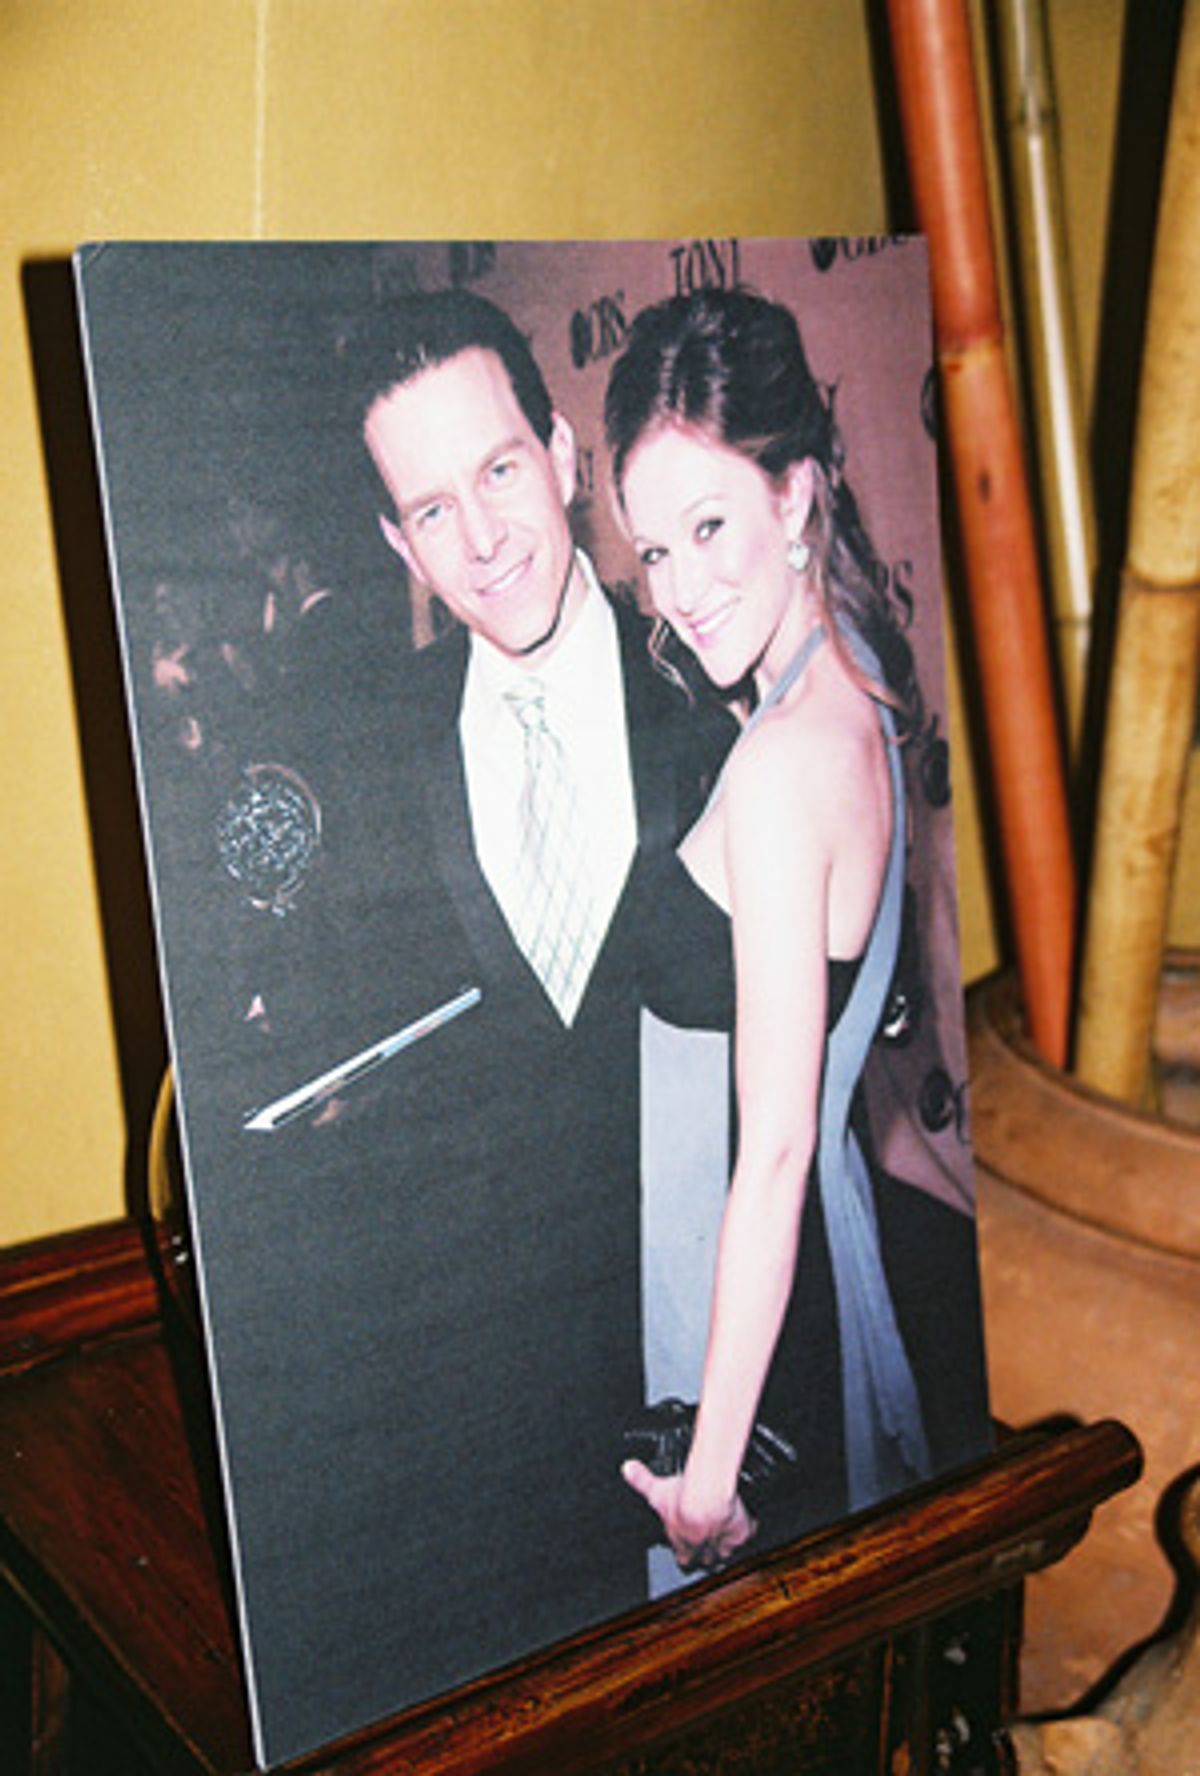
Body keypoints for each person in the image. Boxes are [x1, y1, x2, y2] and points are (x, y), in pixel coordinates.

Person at [230, 286, 725, 1716]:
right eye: (432, 509)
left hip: (709, 1341)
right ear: (396, 542)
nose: (486, 537)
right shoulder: (371, 755)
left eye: (501, 471)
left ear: (564, 457)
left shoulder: (707, 686)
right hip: (488, 1414)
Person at [604, 287, 990, 1576]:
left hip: (760, 1334)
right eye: (653, 552)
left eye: (709, 525)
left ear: (797, 495)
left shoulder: (779, 772)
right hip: (809, 1270)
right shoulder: (859, 672)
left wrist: (706, 1486)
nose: (680, 592)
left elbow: (768, 1152)